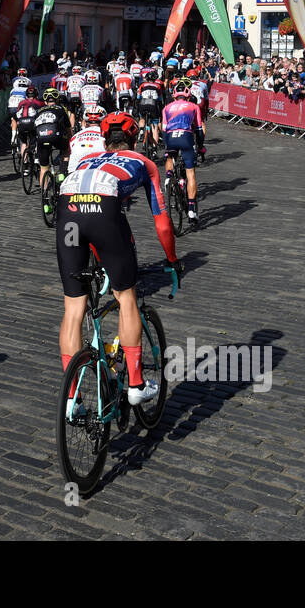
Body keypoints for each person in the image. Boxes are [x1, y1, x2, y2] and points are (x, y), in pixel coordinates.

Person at [56, 112, 179, 409]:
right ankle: (136, 384)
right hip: (104, 212)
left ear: (104, 140)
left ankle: (73, 399)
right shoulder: (144, 162)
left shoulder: (87, 160)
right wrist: (173, 260)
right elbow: (162, 224)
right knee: (126, 296)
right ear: (134, 139)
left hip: (68, 209)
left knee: (73, 307)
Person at [161, 81, 204, 223]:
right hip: (186, 137)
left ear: (174, 96)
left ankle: (168, 177)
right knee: (190, 173)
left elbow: (164, 129)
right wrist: (201, 146)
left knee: (170, 156)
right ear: (188, 95)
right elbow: (198, 129)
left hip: (170, 137)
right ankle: (191, 210)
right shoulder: (193, 106)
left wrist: (167, 146)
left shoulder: (167, 107)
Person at [34, 88, 75, 215]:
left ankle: (45, 200)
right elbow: (68, 128)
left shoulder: (38, 111)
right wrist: (70, 141)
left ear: (45, 102)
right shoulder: (60, 109)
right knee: (65, 151)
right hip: (56, 136)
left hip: (41, 139)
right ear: (57, 100)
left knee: (44, 168)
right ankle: (62, 172)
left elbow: (34, 129)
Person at [14, 85, 45, 166]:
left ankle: (25, 163)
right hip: (32, 123)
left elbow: (18, 114)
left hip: (21, 123)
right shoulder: (39, 103)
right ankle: (37, 158)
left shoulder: (21, 103)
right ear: (36, 95)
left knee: (23, 142)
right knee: (38, 139)